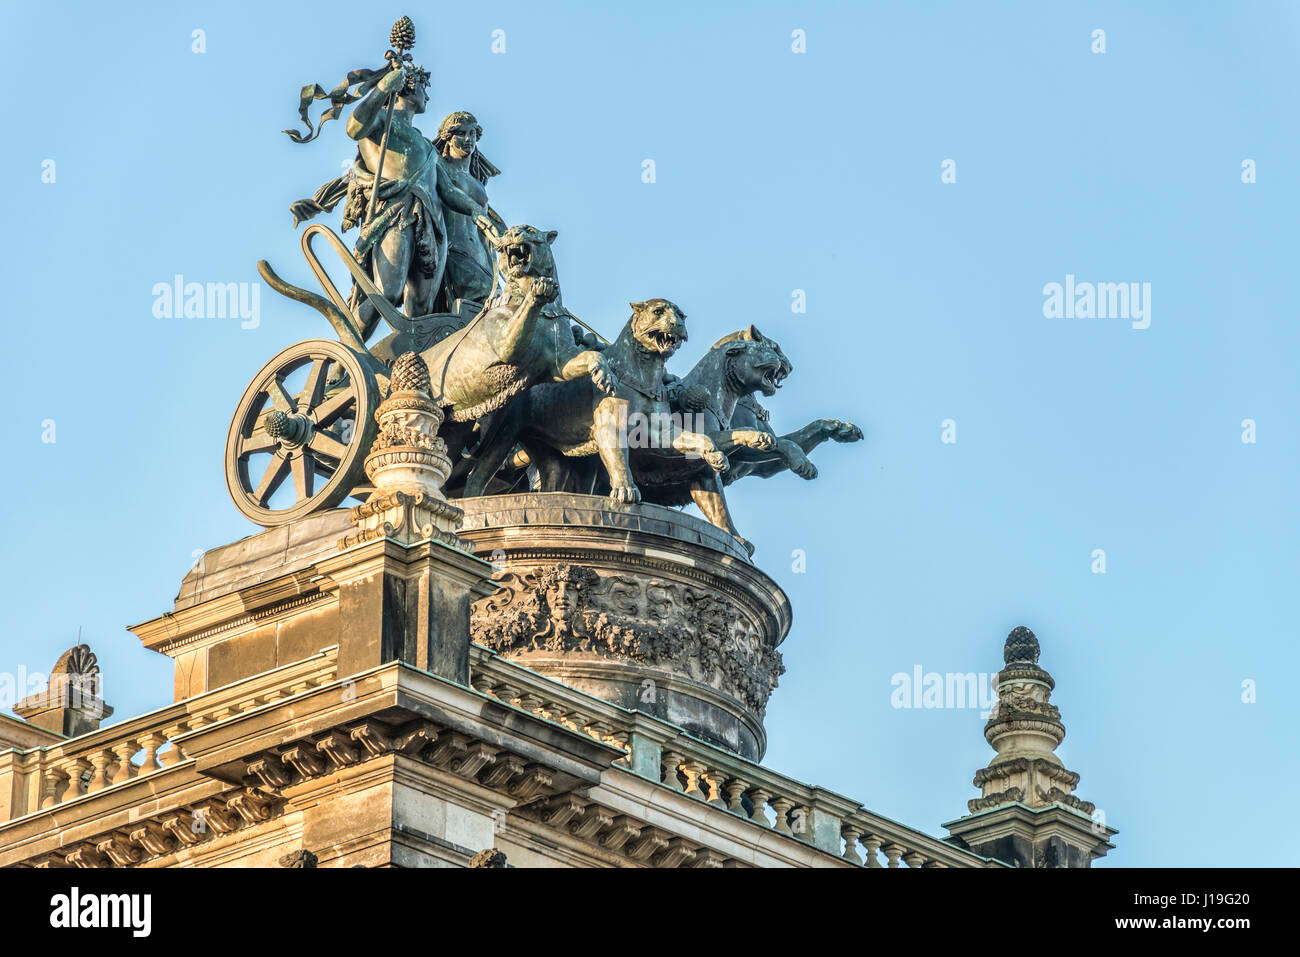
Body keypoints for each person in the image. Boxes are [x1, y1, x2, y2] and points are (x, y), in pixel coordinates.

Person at [432, 111, 506, 309]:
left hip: (482, 260)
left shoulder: (478, 182)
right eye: (461, 133)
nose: (468, 139)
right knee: (493, 305)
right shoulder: (438, 165)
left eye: (472, 134)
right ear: (448, 138)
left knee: (504, 307)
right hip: (454, 253)